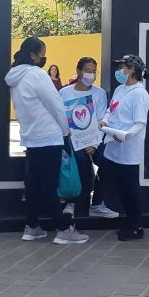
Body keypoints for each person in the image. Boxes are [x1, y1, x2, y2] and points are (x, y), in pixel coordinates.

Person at [6, 37, 90, 245]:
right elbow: (56, 105)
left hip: (31, 137)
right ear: (34, 55)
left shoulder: (15, 77)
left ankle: (32, 226)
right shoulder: (37, 75)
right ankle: (63, 228)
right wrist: (65, 130)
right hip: (49, 137)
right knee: (50, 186)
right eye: (43, 53)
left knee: (33, 185)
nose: (44, 57)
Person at [59, 57, 120, 219]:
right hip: (73, 141)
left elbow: (101, 120)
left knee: (108, 161)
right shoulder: (64, 93)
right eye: (87, 70)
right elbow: (61, 119)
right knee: (78, 161)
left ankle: (98, 203)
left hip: (95, 139)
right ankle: (71, 202)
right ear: (78, 71)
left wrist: (94, 143)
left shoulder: (99, 93)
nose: (91, 74)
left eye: (94, 71)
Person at [100, 54, 149, 241]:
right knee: (122, 187)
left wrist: (126, 135)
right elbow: (110, 110)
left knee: (130, 188)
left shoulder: (139, 93)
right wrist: (105, 121)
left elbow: (140, 122)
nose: (118, 71)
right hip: (113, 144)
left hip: (128, 147)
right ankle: (129, 221)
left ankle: (136, 225)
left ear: (131, 70)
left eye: (121, 67)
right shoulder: (120, 89)